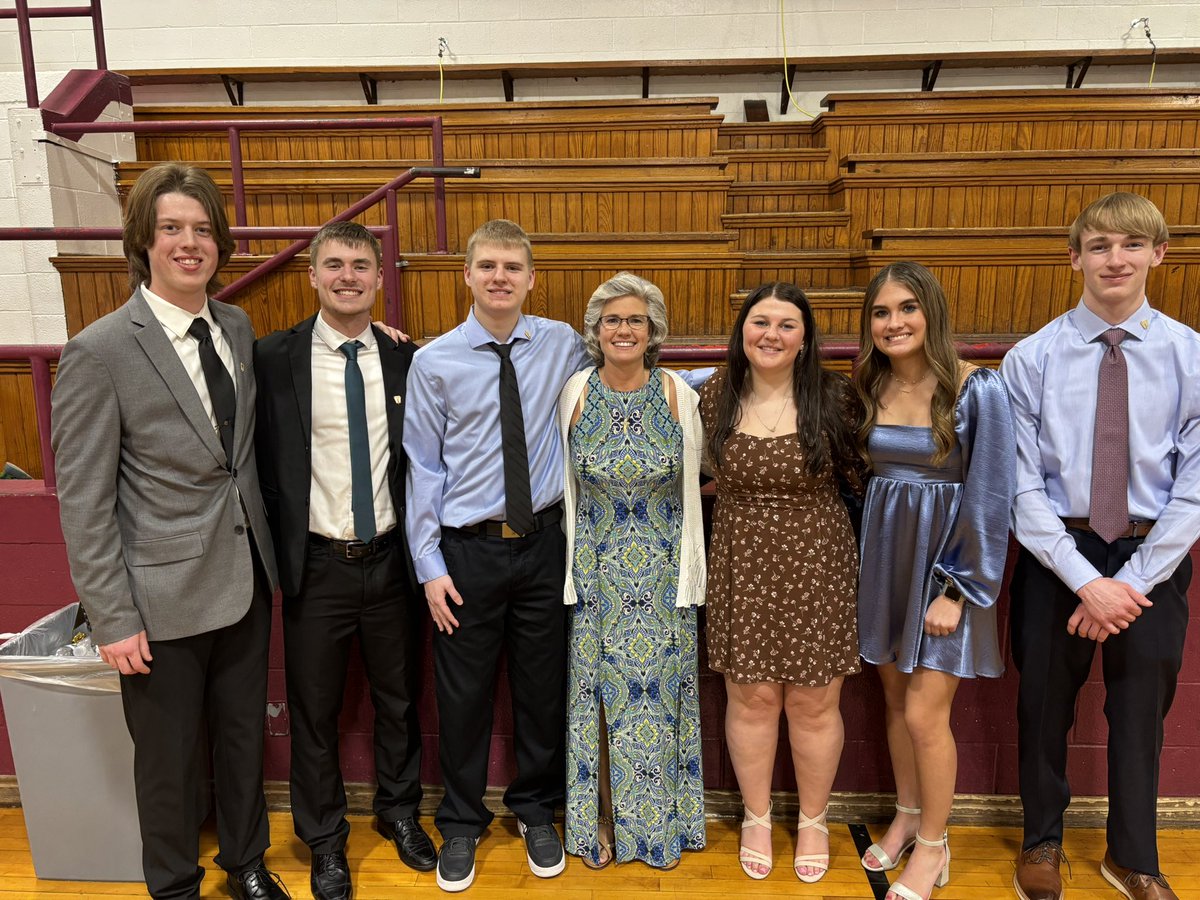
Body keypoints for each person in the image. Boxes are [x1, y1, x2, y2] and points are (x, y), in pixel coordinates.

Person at [50, 163, 287, 900]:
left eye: (203, 228)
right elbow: (84, 504)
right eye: (172, 229)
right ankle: (175, 887)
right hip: (157, 605)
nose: (191, 243)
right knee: (168, 763)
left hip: (246, 581)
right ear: (143, 242)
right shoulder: (101, 351)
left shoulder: (238, 327)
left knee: (244, 742)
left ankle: (246, 865)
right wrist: (113, 617)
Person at [1002, 192, 1199, 900]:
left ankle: (1133, 857)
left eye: (1131, 245)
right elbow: (1021, 487)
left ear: (1158, 254)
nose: (1115, 259)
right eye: (1099, 245)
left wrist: (1131, 580)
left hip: (1154, 559)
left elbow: (1195, 487)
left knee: (1142, 711)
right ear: (1075, 257)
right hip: (1059, 555)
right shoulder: (1033, 358)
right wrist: (1086, 579)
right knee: (1043, 708)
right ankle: (1042, 842)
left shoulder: (1191, 356)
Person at [403, 219, 591, 893]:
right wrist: (429, 567)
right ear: (467, 275)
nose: (500, 277)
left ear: (532, 277)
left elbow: (629, 369)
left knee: (542, 691)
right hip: (467, 553)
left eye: (513, 266)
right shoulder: (434, 361)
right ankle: (459, 822)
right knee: (463, 697)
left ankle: (536, 809)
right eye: (488, 266)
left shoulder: (562, 343)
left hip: (544, 546)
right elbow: (423, 466)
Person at [254, 221, 436, 900]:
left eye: (361, 265)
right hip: (318, 565)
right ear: (312, 275)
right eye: (334, 264)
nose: (348, 276)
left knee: (398, 702)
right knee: (315, 712)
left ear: (380, 277)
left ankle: (398, 815)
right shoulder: (272, 357)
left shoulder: (406, 360)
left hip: (391, 563)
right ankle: (325, 840)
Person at [852, 261, 1017, 900]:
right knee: (894, 703)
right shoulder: (869, 385)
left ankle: (935, 847)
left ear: (932, 314)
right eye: (882, 312)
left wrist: (956, 588)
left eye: (907, 309)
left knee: (926, 714)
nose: (894, 323)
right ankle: (907, 813)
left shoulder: (978, 391)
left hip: (947, 567)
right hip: (886, 559)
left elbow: (991, 494)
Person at [698, 281, 864, 884]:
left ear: (805, 337)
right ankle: (756, 815)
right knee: (752, 696)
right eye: (760, 321)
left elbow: (862, 480)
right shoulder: (716, 393)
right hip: (741, 559)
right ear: (743, 331)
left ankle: (815, 820)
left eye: (786, 324)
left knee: (814, 701)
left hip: (817, 558)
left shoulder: (834, 397)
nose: (771, 334)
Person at [556, 272, 706, 871]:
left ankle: (659, 829)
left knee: (660, 704)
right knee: (596, 703)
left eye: (635, 320)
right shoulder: (575, 393)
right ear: (595, 330)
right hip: (595, 575)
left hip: (665, 576)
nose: (623, 329)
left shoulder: (677, 394)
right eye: (612, 319)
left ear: (653, 331)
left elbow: (705, 474)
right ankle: (599, 827)